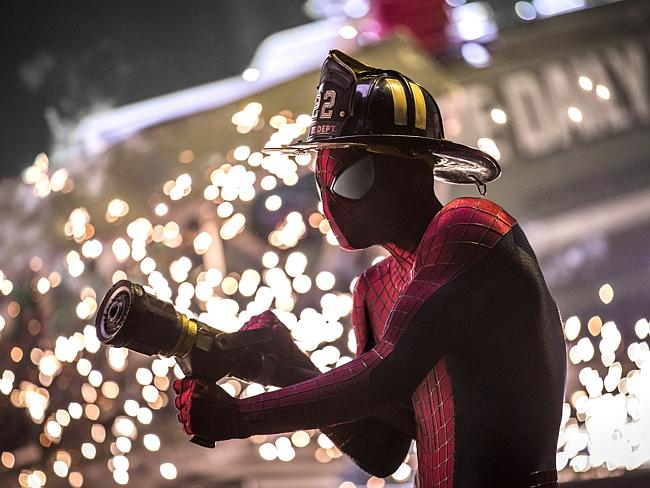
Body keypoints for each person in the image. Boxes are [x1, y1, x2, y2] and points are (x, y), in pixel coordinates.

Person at [174, 50, 566, 487]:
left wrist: (238, 417)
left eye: (348, 179)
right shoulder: (375, 288)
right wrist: (280, 362)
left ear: (410, 167)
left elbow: (381, 376)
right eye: (321, 183)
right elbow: (383, 449)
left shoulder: (469, 229)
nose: (330, 204)